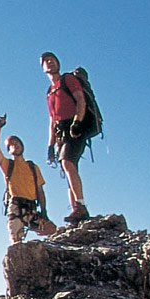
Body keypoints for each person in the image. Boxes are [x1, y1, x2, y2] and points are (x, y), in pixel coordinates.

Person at [41, 51, 90, 224]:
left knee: (67, 162)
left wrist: (77, 122)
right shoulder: (49, 92)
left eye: (52, 60)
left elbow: (80, 100)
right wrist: (50, 146)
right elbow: (52, 120)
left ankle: (81, 206)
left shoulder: (68, 79)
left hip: (75, 128)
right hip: (61, 133)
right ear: (42, 68)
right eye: (46, 61)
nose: (50, 62)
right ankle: (76, 210)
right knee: (68, 168)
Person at [0, 114, 54, 243]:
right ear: (9, 150)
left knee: (52, 230)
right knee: (16, 243)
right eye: (11, 144)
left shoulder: (32, 167)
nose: (15, 144)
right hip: (15, 207)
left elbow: (40, 191)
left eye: (17, 142)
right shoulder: (8, 165)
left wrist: (44, 211)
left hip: (31, 208)